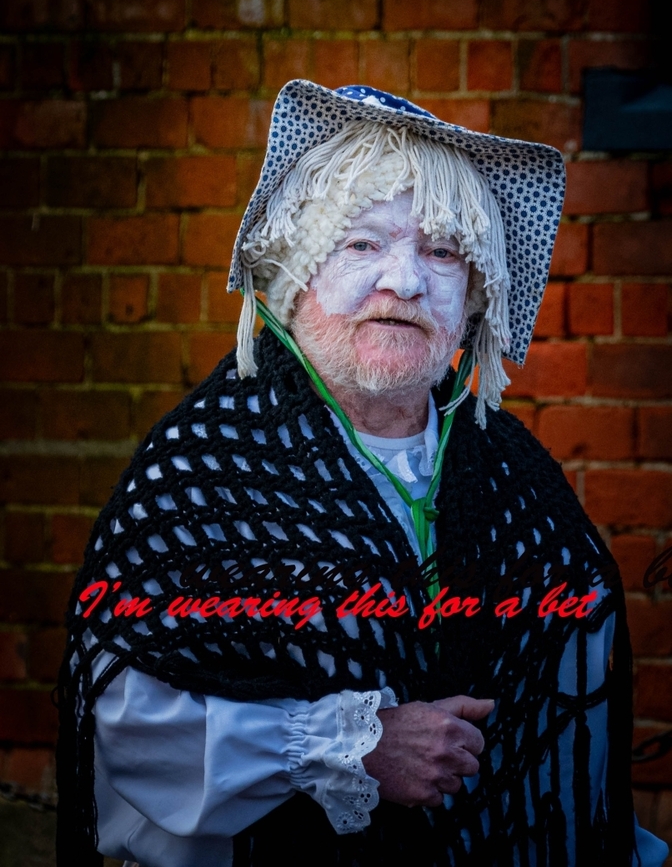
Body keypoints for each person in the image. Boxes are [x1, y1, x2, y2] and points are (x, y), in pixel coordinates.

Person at [56, 81, 668, 867]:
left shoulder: (520, 478)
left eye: (442, 252)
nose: (405, 281)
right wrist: (351, 748)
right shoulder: (200, 469)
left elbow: (572, 726)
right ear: (296, 272)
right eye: (362, 245)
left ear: (474, 292)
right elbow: (125, 724)